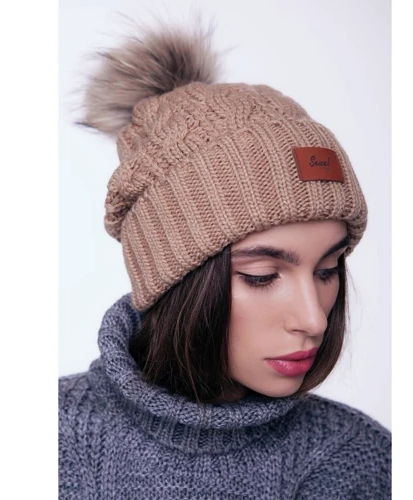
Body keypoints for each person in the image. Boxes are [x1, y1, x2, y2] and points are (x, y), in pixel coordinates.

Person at [59, 20, 391, 499]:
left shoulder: (362, 464)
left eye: (327, 270)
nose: (314, 318)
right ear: (173, 281)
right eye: (262, 276)